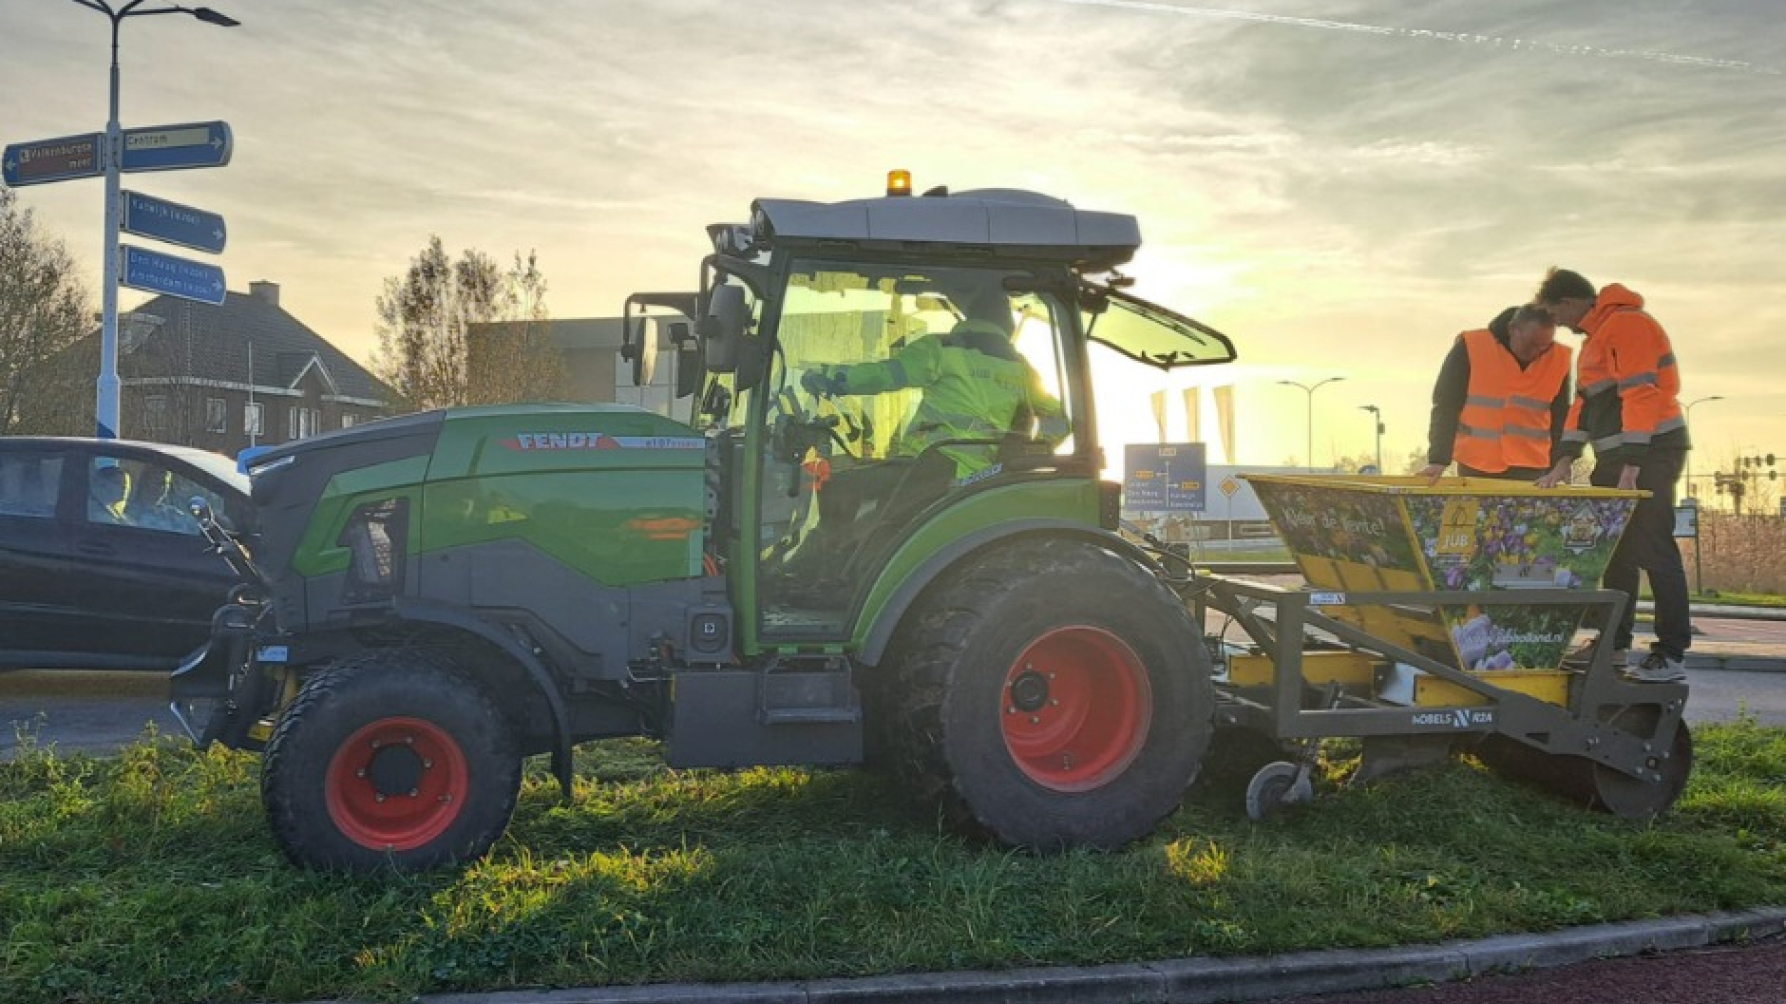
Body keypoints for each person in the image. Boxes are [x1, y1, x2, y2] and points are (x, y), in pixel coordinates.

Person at [1533, 267, 1692, 683]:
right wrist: (1565, 458)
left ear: (1570, 302)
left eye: (1556, 313)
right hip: (1622, 457)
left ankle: (1670, 654)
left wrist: (1634, 461)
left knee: (1653, 548)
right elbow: (1582, 407)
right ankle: (1613, 647)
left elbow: (1641, 394)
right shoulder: (1595, 340)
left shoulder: (1628, 325)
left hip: (1651, 453)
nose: (1558, 324)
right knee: (1615, 552)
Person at [799, 283, 1065, 477]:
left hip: (931, 469)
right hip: (985, 479)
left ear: (971, 315)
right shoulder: (1021, 369)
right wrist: (1029, 455)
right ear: (1006, 325)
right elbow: (1060, 420)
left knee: (842, 486)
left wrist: (831, 379)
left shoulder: (942, 349)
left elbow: (886, 375)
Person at [1418, 304, 1571, 483]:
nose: (1537, 353)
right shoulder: (1472, 347)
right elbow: (1446, 405)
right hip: (1477, 464)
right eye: (1531, 344)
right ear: (1513, 329)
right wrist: (1438, 459)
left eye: (1544, 347)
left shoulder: (1558, 358)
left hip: (1533, 468)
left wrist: (1559, 465)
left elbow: (1561, 418)